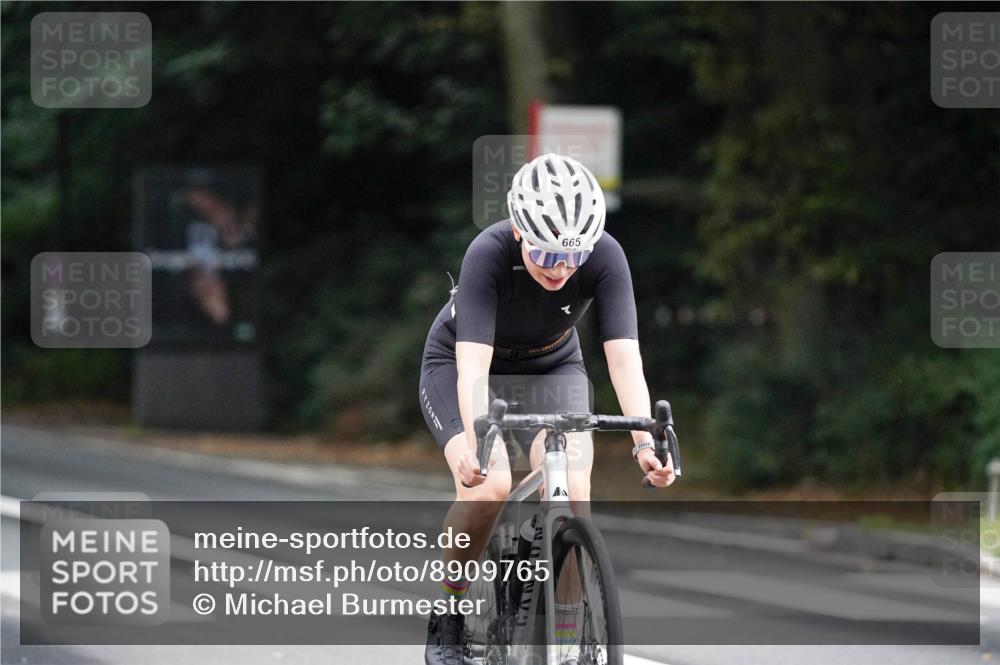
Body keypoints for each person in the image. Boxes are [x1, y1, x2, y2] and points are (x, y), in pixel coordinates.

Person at [419, 153, 675, 665]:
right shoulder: (487, 253)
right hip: (466, 364)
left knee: (573, 490)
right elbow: (473, 367)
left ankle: (565, 633)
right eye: (545, 254)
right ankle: (448, 610)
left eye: (573, 257)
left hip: (552, 367)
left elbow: (624, 360)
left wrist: (644, 443)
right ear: (518, 231)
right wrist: (474, 441)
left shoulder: (606, 255)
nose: (560, 269)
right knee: (488, 487)